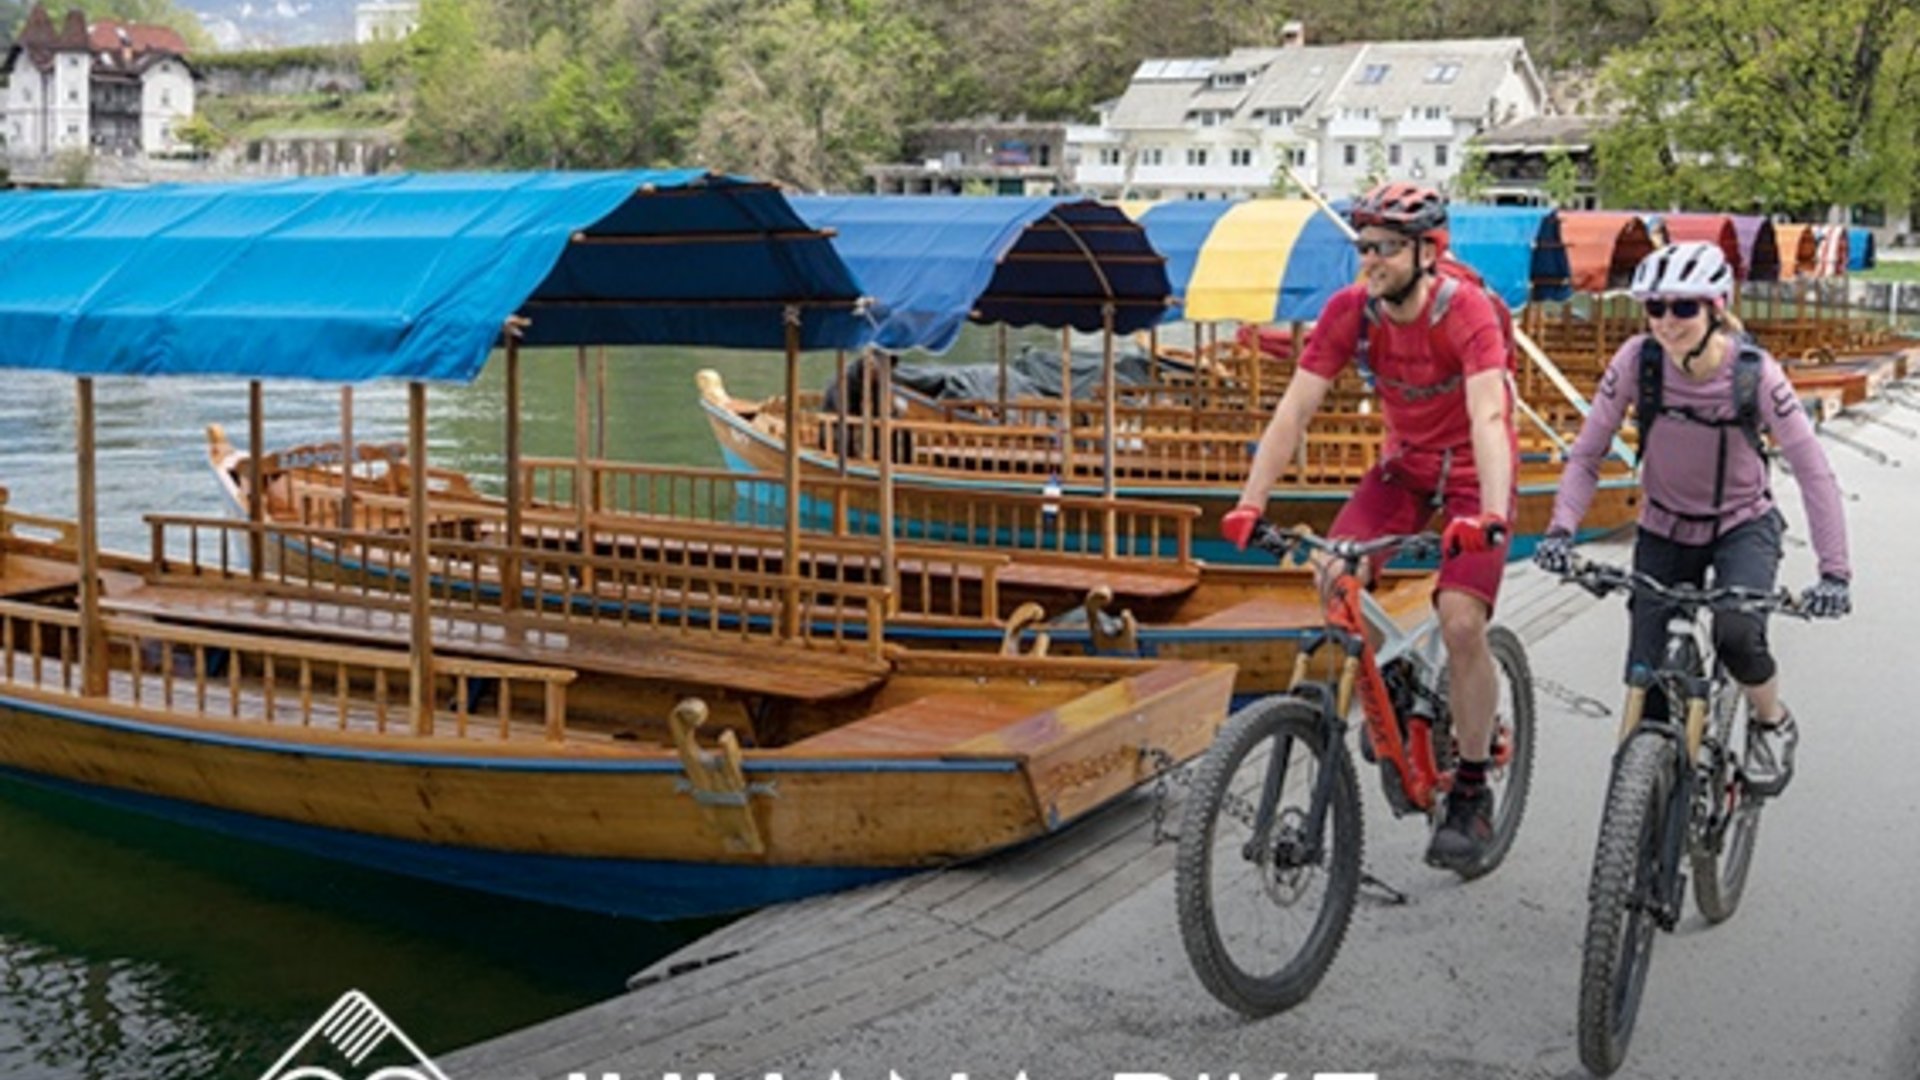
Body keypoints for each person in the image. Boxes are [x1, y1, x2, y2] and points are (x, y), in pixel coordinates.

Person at [1221, 180, 1519, 870]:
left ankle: (1471, 790)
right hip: (1407, 469)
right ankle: (1399, 679)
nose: (1369, 261)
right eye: (1363, 246)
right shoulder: (1351, 312)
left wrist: (1495, 517)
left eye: (1383, 248)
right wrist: (1248, 504)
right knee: (1331, 571)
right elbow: (1294, 410)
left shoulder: (1465, 312)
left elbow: (1488, 419)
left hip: (1476, 474)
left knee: (1462, 622)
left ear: (1426, 250)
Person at [1534, 240, 1851, 797]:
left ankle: (1772, 722)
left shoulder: (1756, 375)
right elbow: (1587, 453)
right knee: (1646, 676)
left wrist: (1835, 573)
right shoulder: (1638, 361)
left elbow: (1813, 472)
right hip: (1663, 525)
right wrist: (1561, 530)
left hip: (1741, 525)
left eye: (1683, 307)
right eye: (1655, 308)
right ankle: (1638, 811)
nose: (1667, 321)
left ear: (1715, 307)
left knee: (1736, 634)